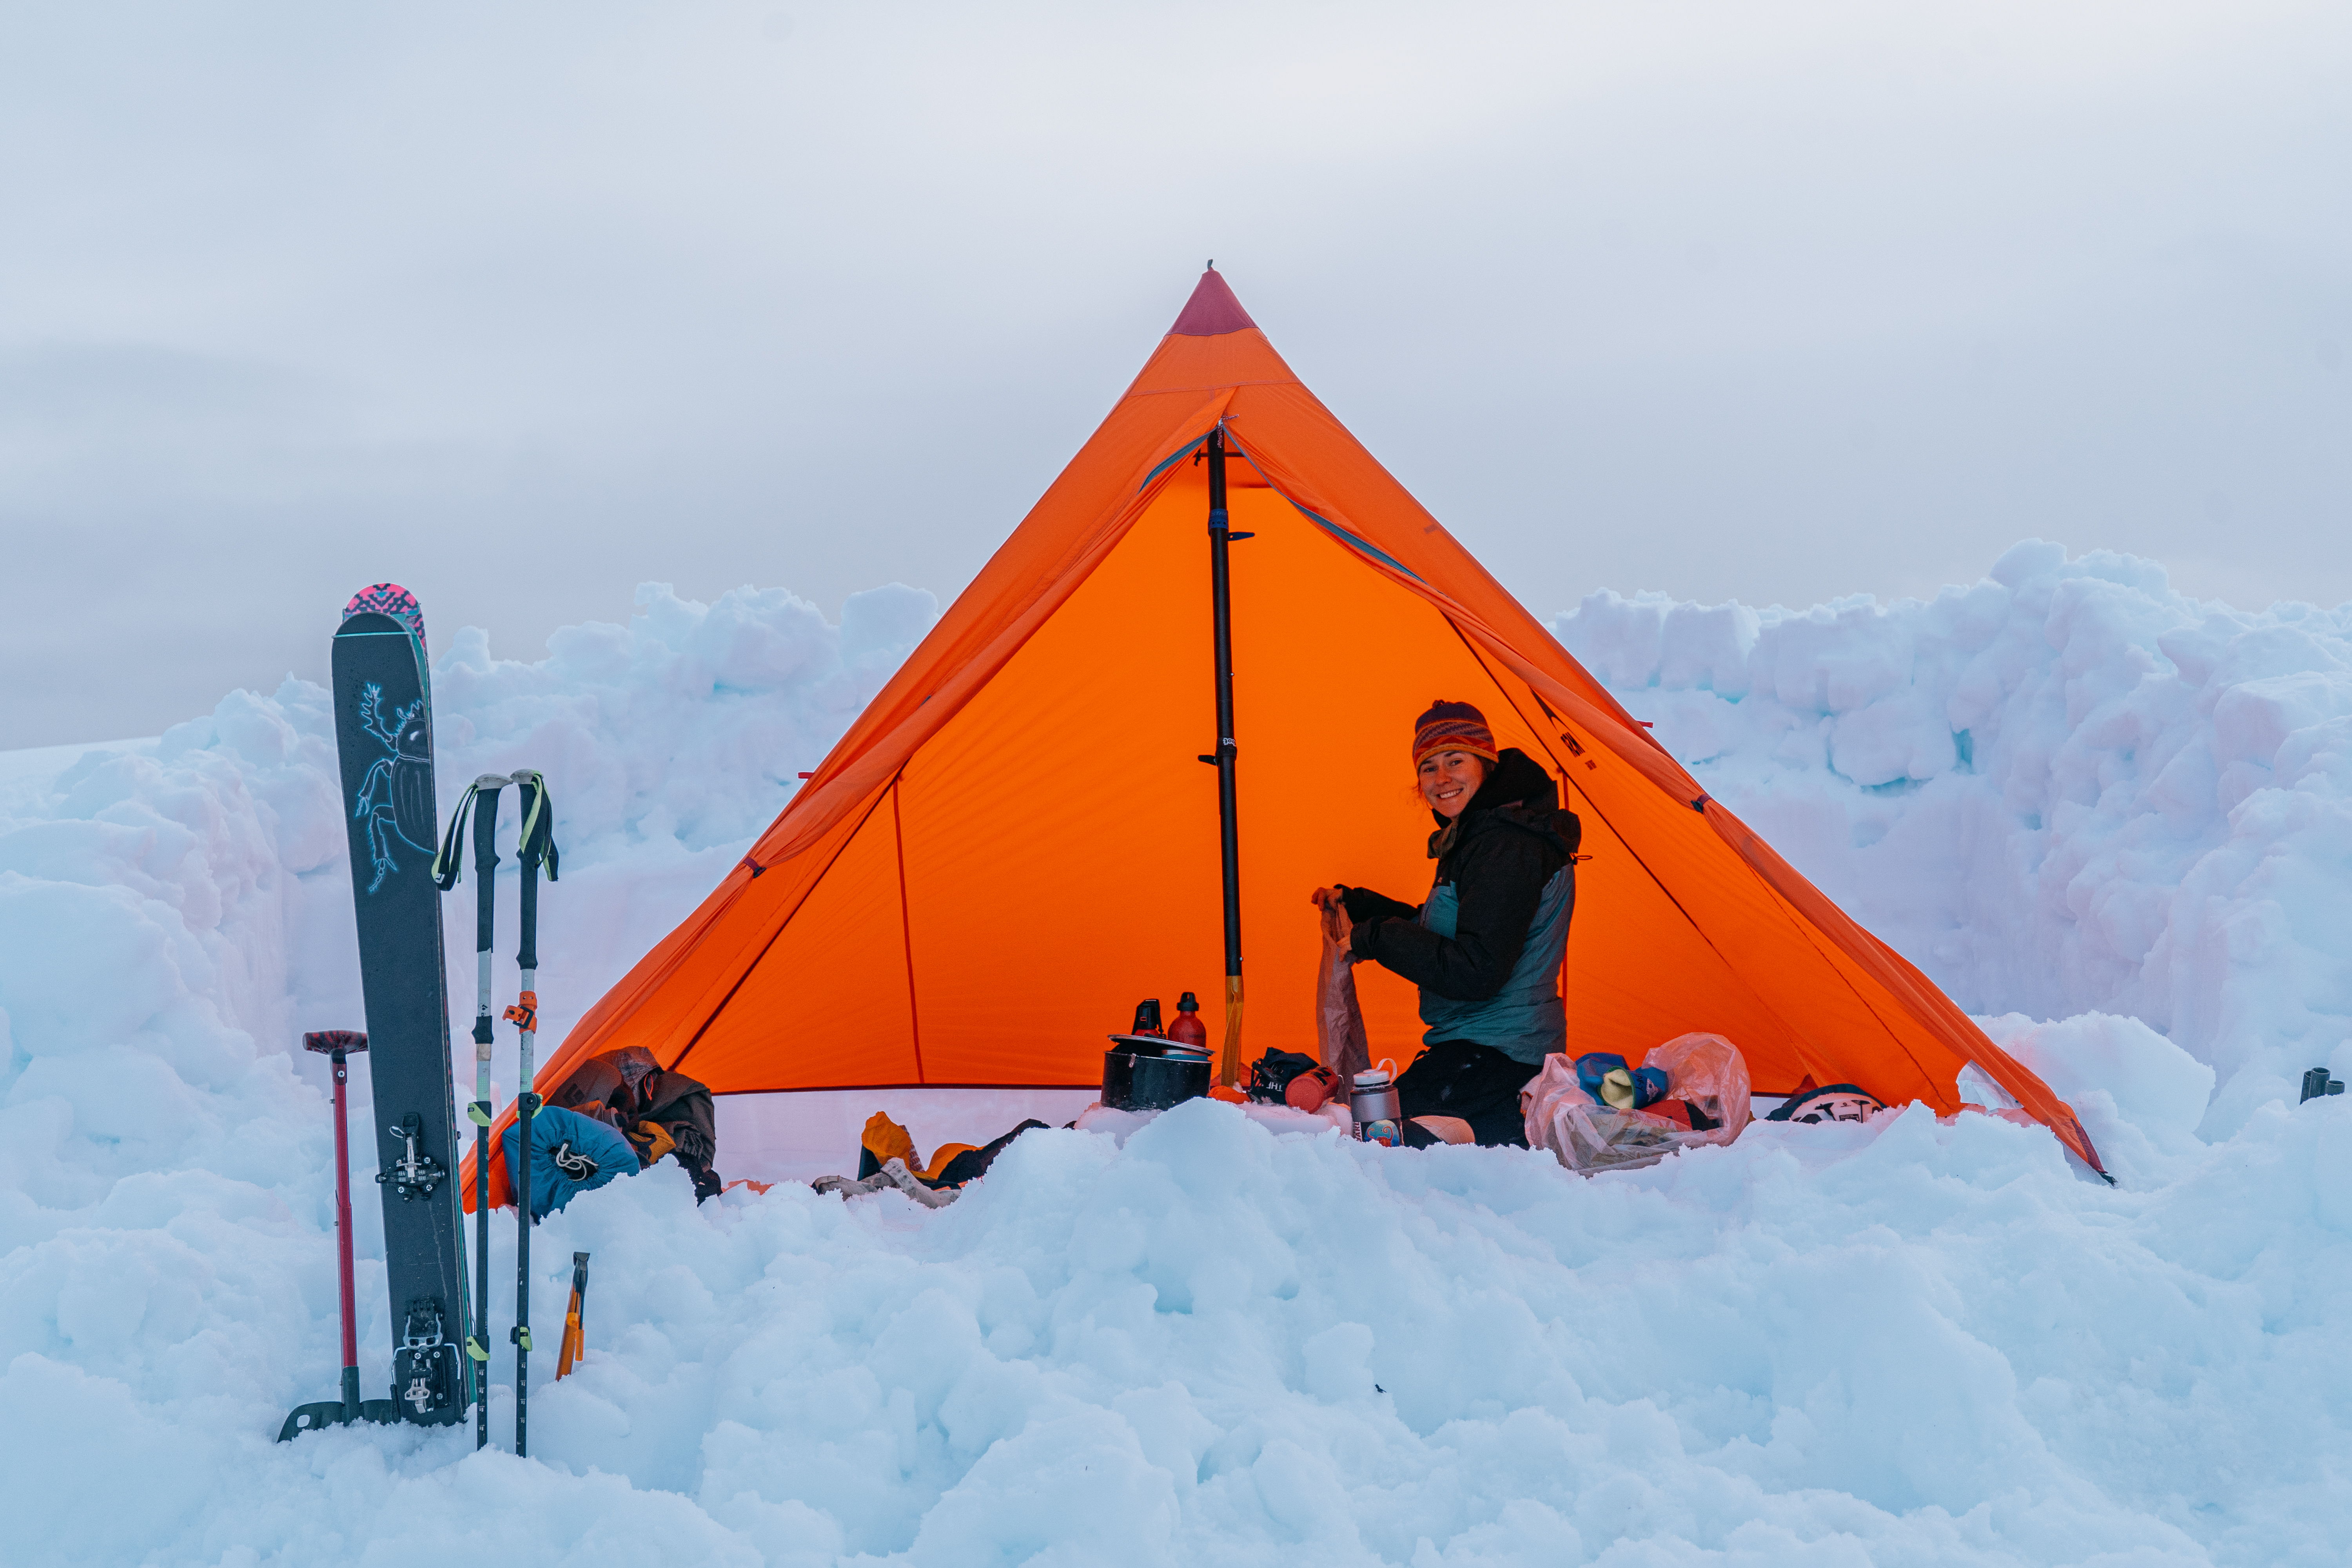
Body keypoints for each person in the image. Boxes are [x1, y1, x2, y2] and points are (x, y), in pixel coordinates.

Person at [1311, 699, 1578, 1146]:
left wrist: (1374, 937)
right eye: (1429, 767)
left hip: (1499, 1057)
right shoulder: (1485, 834)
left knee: (1375, 1138)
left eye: (1456, 761)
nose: (1442, 779)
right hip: (1480, 1051)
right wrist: (1362, 906)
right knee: (1369, 1127)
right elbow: (1450, 927)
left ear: (1486, 763)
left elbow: (1476, 970)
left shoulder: (1507, 845)